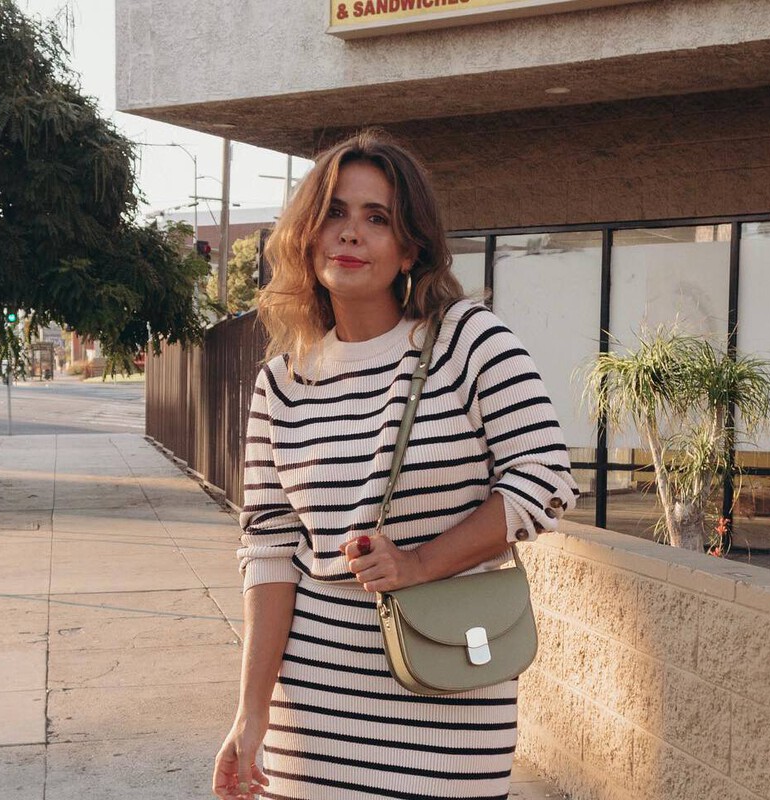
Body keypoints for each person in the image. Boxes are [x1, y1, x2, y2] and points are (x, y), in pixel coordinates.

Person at [212, 130, 579, 800]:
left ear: (410, 247)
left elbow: (546, 481)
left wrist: (418, 563)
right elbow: (268, 553)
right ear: (307, 236)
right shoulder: (281, 385)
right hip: (314, 706)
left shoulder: (469, 342)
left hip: (450, 687)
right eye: (334, 213)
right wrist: (251, 711)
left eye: (377, 218)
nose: (351, 233)